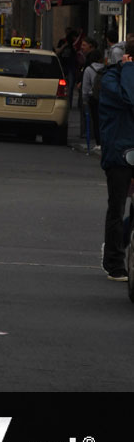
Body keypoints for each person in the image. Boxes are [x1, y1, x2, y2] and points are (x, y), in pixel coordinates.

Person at [96, 40, 134, 281]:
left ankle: (120, 243)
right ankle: (114, 262)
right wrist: (128, 70)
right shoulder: (110, 78)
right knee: (117, 208)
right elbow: (130, 98)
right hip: (119, 152)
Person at [81, 47, 105, 156]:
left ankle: (98, 143)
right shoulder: (106, 68)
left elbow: (85, 87)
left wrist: (84, 99)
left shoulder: (89, 69)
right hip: (105, 97)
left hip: (93, 98)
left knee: (95, 120)